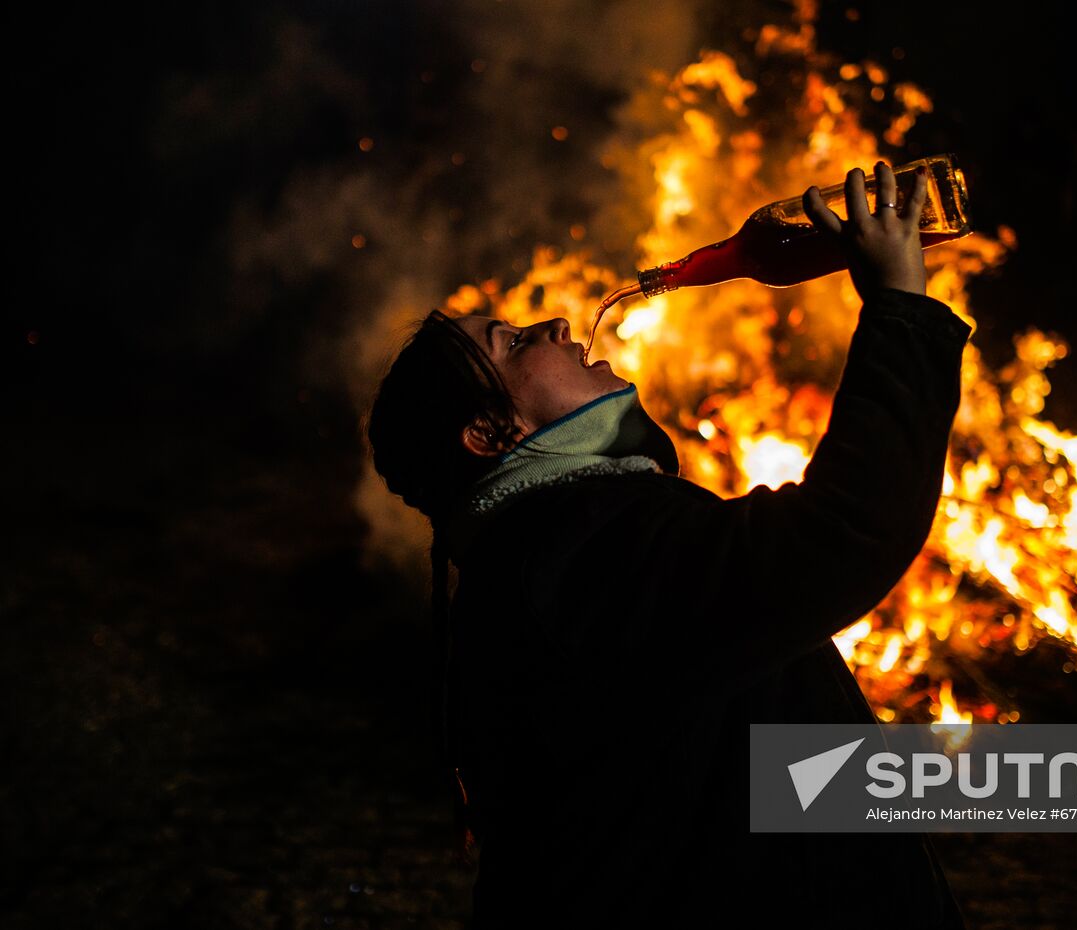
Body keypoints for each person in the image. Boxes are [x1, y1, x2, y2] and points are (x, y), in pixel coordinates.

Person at [367, 162, 972, 928]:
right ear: (489, 433)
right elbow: (841, 534)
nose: (554, 326)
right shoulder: (580, 552)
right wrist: (897, 306)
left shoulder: (539, 553)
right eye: (515, 343)